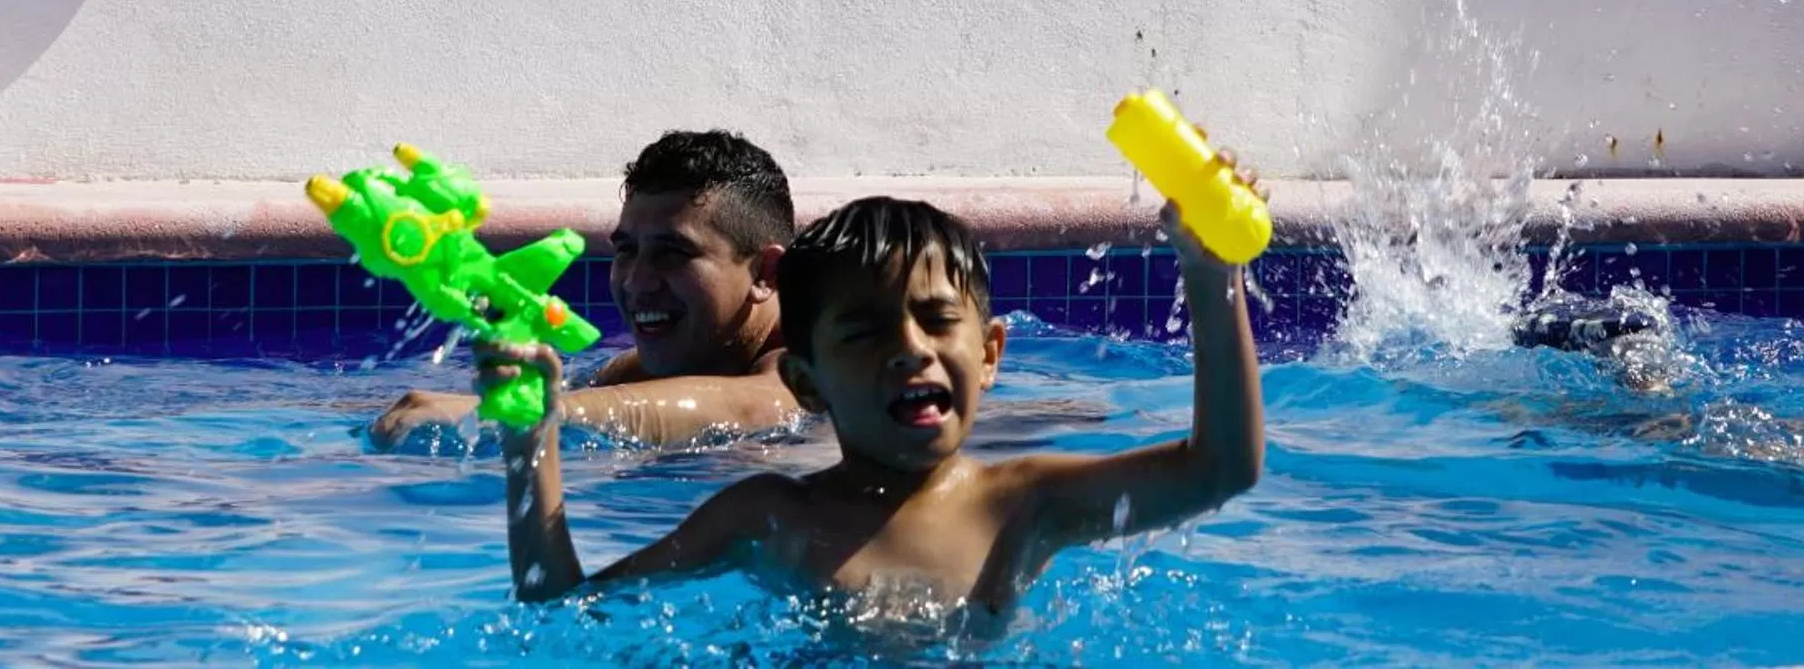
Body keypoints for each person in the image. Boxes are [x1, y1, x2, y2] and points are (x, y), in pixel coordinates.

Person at [486, 190, 1267, 613]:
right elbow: (561, 608)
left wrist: (1211, 275)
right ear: (807, 383)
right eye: (863, 332)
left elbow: (1221, 470)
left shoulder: (1025, 503)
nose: (910, 348)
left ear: (990, 354)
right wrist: (531, 443)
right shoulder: (767, 514)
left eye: (937, 319)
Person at [369, 130, 801, 448]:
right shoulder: (646, 369)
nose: (637, 281)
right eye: (626, 250)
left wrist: (512, 417)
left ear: (765, 273)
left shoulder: (820, 359)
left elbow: (751, 407)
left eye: (673, 253)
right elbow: (577, 396)